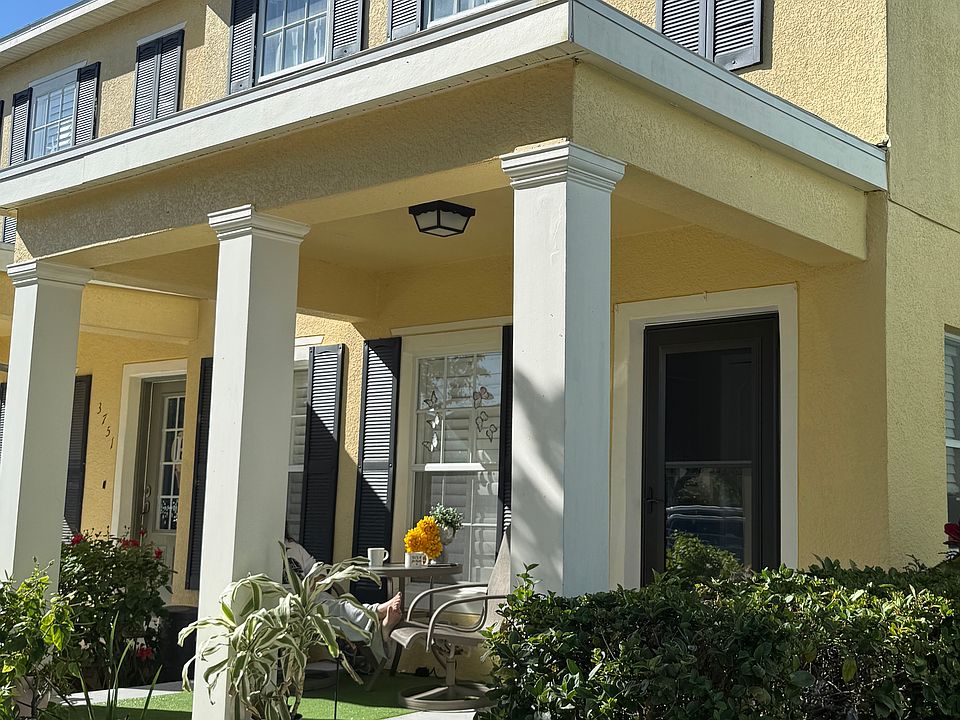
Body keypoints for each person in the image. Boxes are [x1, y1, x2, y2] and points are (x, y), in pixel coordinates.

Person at [284, 536, 402, 642]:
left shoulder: (293, 547)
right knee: (337, 609)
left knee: (342, 605)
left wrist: (313, 584)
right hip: (290, 604)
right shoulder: (269, 546)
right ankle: (378, 614)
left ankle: (381, 626)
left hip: (313, 596)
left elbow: (318, 568)